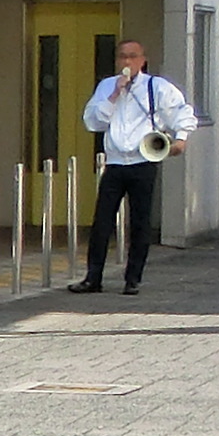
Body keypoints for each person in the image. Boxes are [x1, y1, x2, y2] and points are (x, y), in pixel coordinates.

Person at [77, 37, 197, 295]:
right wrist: (114, 94)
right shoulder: (107, 86)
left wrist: (181, 139)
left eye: (132, 56)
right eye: (122, 56)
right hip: (115, 162)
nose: (127, 61)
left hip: (144, 160)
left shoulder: (157, 87)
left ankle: (133, 279)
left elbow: (182, 113)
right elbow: (93, 122)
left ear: (142, 60)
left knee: (141, 222)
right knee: (102, 222)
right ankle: (93, 277)